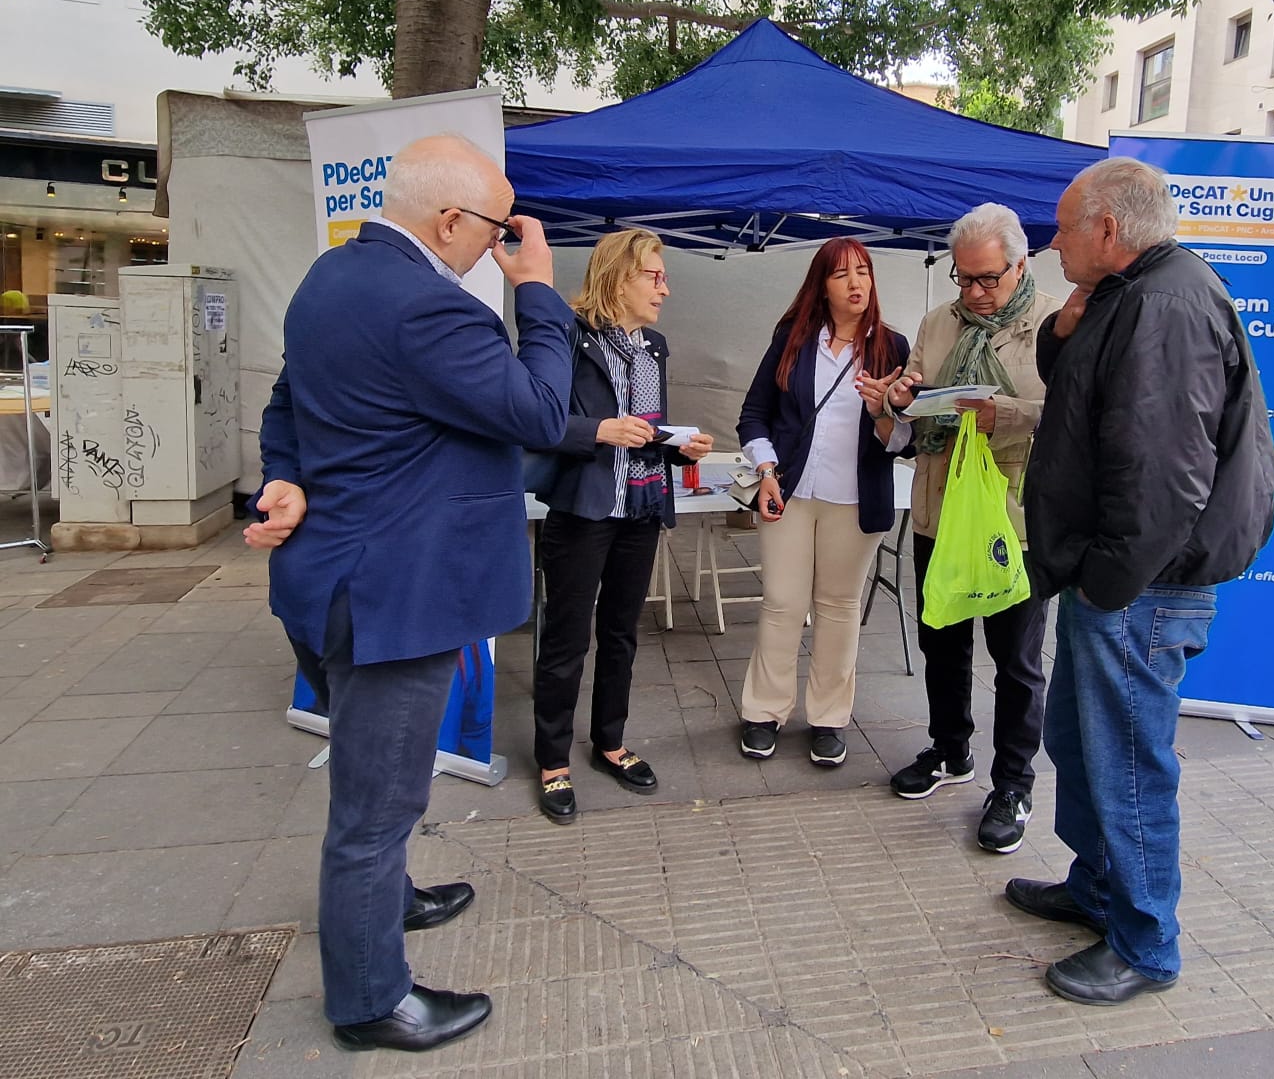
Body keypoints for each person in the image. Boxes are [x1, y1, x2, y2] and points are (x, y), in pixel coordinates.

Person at [245, 133, 574, 1052]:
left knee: (372, 784)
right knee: (374, 810)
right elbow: (543, 411)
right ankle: (367, 998)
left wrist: (286, 475)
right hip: (395, 593)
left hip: (334, 577)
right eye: (497, 227)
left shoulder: (329, 279)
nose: (500, 241)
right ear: (448, 220)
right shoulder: (433, 308)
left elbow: (287, 403)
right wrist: (537, 290)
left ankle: (392, 901)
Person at [1012, 156, 1274, 1006]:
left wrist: (1106, 582)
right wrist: (1061, 333)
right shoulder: (1131, 295)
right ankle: (1097, 889)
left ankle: (1144, 942)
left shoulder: (1163, 303)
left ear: (1108, 230)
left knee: (1125, 762)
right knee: (1079, 744)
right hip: (1120, 576)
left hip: (1138, 585)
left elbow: (1162, 468)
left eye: (1062, 227)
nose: (1052, 244)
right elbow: (1087, 398)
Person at [879, 203, 1060, 854]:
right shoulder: (937, 321)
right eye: (963, 279)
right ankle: (948, 748)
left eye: (987, 279)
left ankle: (1011, 783)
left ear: (1021, 264)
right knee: (942, 643)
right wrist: (897, 401)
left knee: (1015, 661)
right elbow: (907, 413)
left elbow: (1073, 415)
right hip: (938, 507)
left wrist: (1000, 414)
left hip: (1013, 521)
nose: (975, 293)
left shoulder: (1057, 325)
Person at [531, 228, 713, 820]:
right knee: (565, 640)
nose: (665, 288)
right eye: (653, 276)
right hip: (584, 509)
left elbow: (646, 428)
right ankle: (553, 759)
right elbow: (532, 416)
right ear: (618, 278)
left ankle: (610, 741)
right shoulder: (566, 334)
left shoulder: (654, 345)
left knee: (621, 635)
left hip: (640, 506)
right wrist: (597, 431)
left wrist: (676, 448)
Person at [735, 237, 912, 766]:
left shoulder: (893, 348)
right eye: (842, 275)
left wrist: (887, 411)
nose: (857, 283)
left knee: (838, 609)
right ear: (822, 285)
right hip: (789, 494)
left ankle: (829, 719)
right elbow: (753, 414)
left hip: (856, 500)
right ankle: (764, 711)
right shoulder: (792, 339)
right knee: (783, 603)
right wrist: (766, 471)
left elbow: (907, 442)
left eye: (864, 271)